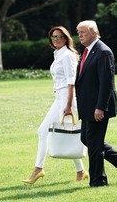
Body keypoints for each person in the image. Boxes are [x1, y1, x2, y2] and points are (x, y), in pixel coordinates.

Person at [22, 26, 89, 184]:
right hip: (59, 97)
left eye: (59, 37)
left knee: (47, 132)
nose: (56, 39)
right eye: (53, 37)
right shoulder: (58, 54)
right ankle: (81, 171)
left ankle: (38, 169)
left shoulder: (67, 55)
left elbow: (71, 82)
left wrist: (68, 105)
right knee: (64, 134)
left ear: (66, 38)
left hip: (67, 98)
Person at [75, 20, 117, 187]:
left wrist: (100, 107)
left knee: (94, 144)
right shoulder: (86, 51)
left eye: (83, 32)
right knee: (87, 138)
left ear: (94, 33)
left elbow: (106, 83)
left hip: (98, 107)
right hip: (87, 106)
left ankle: (98, 181)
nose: (80, 35)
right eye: (78, 32)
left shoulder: (103, 52)